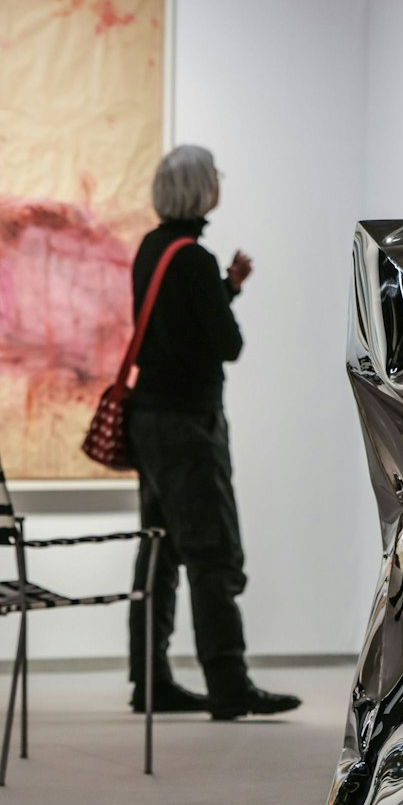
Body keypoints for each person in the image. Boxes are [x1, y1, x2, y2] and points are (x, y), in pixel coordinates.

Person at [126, 146, 301, 721]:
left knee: (158, 547)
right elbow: (226, 344)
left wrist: (225, 287)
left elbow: (175, 326)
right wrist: (222, 295)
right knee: (211, 551)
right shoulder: (193, 259)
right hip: (189, 422)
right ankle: (229, 683)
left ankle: (149, 680)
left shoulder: (153, 250)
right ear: (203, 189)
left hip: (149, 419)